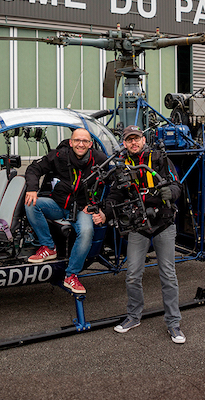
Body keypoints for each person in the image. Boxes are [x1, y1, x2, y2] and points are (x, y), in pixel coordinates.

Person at [106, 125, 186, 344]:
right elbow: (113, 194)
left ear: (143, 139)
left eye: (137, 139)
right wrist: (105, 211)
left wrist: (171, 192)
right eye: (129, 140)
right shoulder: (121, 166)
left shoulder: (159, 159)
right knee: (132, 274)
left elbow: (178, 185)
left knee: (168, 275)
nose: (133, 143)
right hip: (138, 226)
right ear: (124, 143)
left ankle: (173, 323)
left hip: (163, 223)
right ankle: (133, 316)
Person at [24, 128, 107, 294]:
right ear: (71, 142)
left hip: (84, 209)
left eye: (84, 141)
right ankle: (48, 247)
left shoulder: (100, 159)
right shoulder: (59, 155)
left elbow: (110, 186)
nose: (80, 144)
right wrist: (32, 188)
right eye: (77, 140)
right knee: (31, 203)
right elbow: (34, 168)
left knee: (86, 231)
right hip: (59, 205)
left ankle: (71, 275)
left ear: (90, 144)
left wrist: (98, 206)